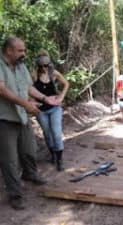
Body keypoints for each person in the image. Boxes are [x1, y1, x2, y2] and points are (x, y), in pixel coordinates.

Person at [0, 37, 59, 210]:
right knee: (10, 160)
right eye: (20, 51)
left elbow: (28, 88)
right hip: (5, 119)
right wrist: (26, 104)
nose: (24, 54)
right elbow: (2, 90)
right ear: (9, 51)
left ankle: (30, 174)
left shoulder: (21, 66)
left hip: (22, 116)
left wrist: (44, 98)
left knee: (29, 150)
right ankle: (15, 194)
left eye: (24, 50)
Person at [32, 50, 69, 171]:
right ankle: (52, 154)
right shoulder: (34, 74)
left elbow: (66, 84)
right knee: (47, 134)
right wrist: (32, 101)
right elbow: (28, 89)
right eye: (41, 66)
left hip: (55, 108)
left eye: (46, 65)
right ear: (38, 65)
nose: (44, 68)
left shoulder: (54, 73)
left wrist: (61, 96)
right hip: (41, 110)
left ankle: (60, 160)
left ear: (49, 64)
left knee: (56, 133)